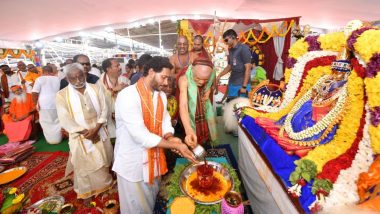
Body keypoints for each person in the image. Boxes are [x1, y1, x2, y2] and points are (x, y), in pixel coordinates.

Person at [113, 56, 197, 214]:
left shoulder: (161, 96)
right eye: (164, 77)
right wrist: (175, 145)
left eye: (168, 78)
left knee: (150, 200)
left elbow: (165, 120)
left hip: (155, 160)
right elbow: (140, 136)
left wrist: (170, 137)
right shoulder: (128, 96)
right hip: (133, 163)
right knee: (135, 207)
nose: (166, 83)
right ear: (151, 72)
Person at [255, 60, 352, 157]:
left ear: (346, 73)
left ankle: (298, 143)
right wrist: (315, 96)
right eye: (334, 71)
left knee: (298, 151)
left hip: (322, 120)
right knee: (303, 108)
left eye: (338, 73)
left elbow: (335, 108)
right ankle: (292, 135)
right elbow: (318, 95)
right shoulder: (327, 81)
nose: (335, 75)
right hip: (309, 111)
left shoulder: (344, 89)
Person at [56, 63, 113, 200]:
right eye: (73, 78)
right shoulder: (61, 95)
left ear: (84, 74)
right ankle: (87, 190)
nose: (78, 80)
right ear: (67, 79)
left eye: (80, 76)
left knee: (103, 160)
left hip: (99, 130)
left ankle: (105, 185)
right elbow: (65, 119)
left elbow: (105, 109)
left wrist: (96, 129)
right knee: (83, 165)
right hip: (80, 135)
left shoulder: (96, 88)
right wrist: (86, 133)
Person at [178, 57, 218, 149]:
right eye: (197, 78)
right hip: (190, 113)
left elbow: (211, 83)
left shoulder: (211, 74)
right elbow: (183, 106)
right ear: (192, 70)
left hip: (203, 109)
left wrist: (209, 90)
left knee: (206, 134)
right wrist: (188, 130)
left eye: (205, 80)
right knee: (192, 141)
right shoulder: (184, 79)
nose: (201, 82)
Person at [216, 29, 252, 102]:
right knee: (231, 107)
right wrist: (220, 75)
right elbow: (230, 66)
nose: (225, 43)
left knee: (241, 108)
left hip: (241, 85)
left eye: (226, 40)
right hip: (233, 83)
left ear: (232, 37)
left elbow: (248, 68)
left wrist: (244, 86)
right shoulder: (231, 50)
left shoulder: (243, 48)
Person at [97, 58, 128, 139]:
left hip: (123, 114)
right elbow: (99, 101)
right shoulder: (99, 84)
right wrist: (114, 90)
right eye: (116, 66)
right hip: (108, 116)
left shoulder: (125, 80)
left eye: (119, 65)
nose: (120, 67)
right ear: (108, 69)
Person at [32, 65, 62, 144]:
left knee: (46, 122)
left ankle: (51, 140)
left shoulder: (39, 79)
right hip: (56, 102)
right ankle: (58, 139)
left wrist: (35, 104)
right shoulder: (57, 78)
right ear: (52, 71)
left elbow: (35, 93)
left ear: (42, 71)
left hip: (44, 104)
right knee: (57, 121)